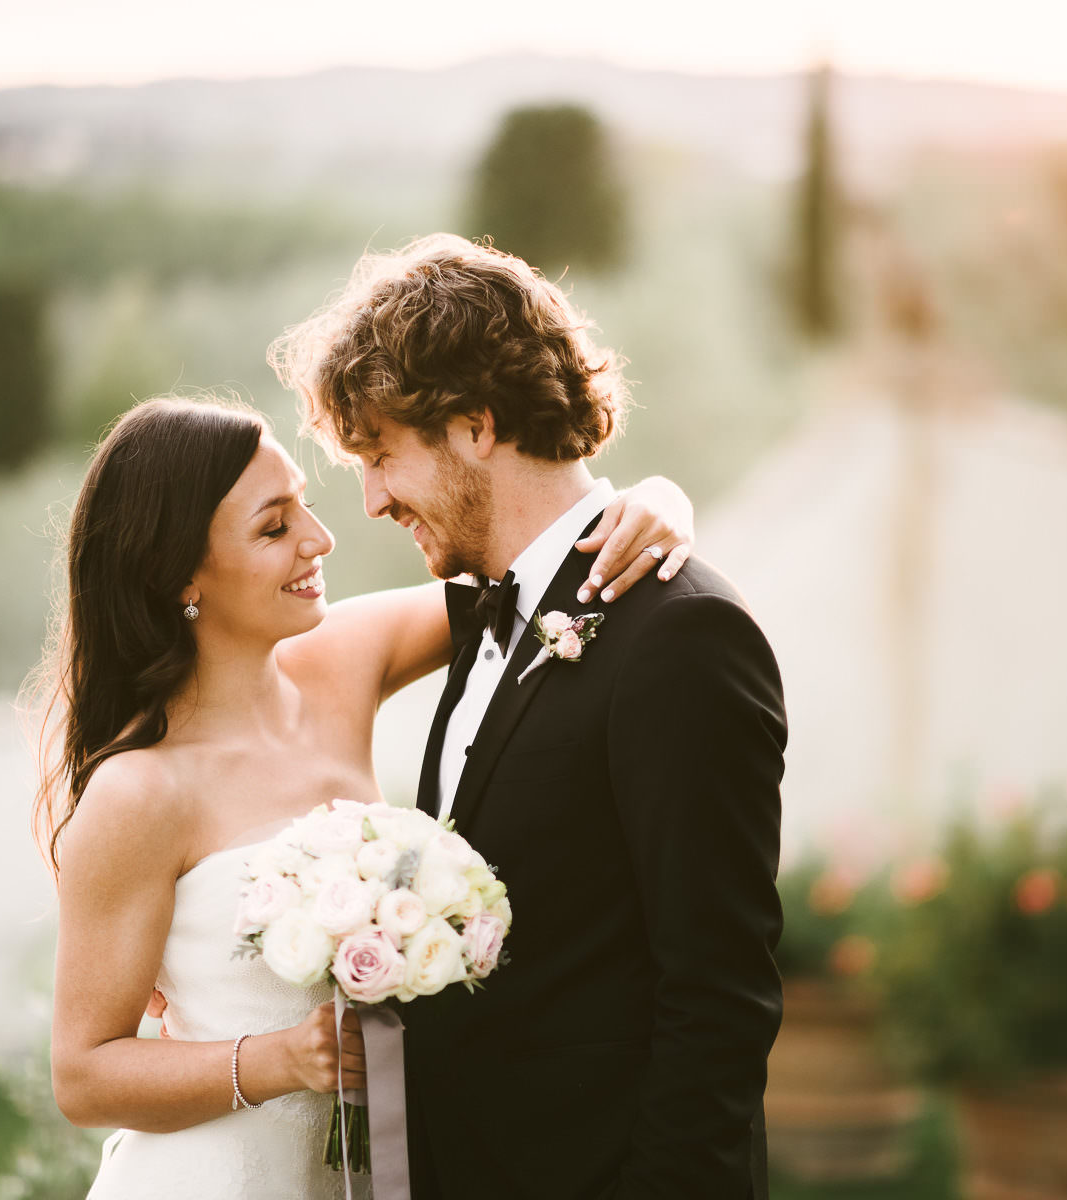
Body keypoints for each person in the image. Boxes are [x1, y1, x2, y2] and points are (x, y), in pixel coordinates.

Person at [32, 393, 697, 1199]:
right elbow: (85, 1075)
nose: (320, 539)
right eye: (274, 527)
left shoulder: (343, 658)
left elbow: (538, 585)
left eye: (303, 507)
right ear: (176, 576)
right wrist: (277, 1062)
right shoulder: (138, 792)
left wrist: (657, 503)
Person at [276, 234, 787, 1200]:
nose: (375, 499)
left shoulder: (684, 636)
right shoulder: (482, 617)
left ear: (475, 425)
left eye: (383, 454)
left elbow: (719, 998)